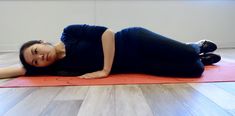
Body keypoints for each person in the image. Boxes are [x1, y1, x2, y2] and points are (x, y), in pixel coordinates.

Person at [0, 24, 221, 79]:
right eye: (36, 61)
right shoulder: (59, 67)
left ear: (42, 41)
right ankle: (200, 57)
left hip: (134, 40)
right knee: (196, 70)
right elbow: (19, 70)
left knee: (188, 56)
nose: (40, 57)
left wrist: (105, 70)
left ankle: (195, 46)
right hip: (137, 64)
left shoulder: (69, 33)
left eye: (37, 50)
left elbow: (107, 33)